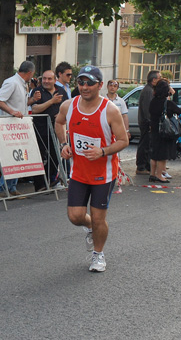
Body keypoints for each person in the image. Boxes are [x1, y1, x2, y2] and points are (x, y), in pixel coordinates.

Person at [54, 65, 128, 272]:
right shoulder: (68, 106)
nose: (84, 87)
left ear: (100, 85)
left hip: (103, 174)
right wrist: (64, 144)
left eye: (90, 83)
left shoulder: (110, 110)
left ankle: (98, 254)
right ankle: (90, 228)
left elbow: (123, 140)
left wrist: (103, 151)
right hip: (78, 171)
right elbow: (59, 123)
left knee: (98, 218)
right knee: (75, 216)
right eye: (81, 83)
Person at [0, 61, 40, 198]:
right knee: (12, 158)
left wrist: (31, 100)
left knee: (19, 157)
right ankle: (2, 188)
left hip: (19, 127)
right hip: (10, 127)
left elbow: (20, 103)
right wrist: (12, 111)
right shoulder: (12, 82)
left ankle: (11, 187)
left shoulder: (21, 84)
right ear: (30, 73)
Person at [29, 70, 68, 191]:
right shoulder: (37, 91)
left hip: (56, 130)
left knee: (55, 156)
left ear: (55, 80)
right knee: (40, 157)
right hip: (40, 130)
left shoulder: (61, 91)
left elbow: (67, 106)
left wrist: (63, 115)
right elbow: (35, 109)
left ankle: (52, 180)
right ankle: (40, 185)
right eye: (44, 79)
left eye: (49, 79)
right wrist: (51, 101)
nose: (46, 81)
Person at [148, 79, 181, 183]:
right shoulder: (168, 103)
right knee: (162, 155)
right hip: (164, 131)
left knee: (154, 154)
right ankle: (159, 174)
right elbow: (178, 110)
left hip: (154, 129)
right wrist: (171, 95)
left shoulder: (153, 101)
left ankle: (152, 174)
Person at [136, 70, 162, 175]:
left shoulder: (151, 90)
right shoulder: (148, 91)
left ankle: (147, 165)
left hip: (148, 122)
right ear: (154, 80)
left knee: (148, 145)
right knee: (145, 145)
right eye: (159, 78)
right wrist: (150, 122)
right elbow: (147, 109)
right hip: (146, 123)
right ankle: (141, 167)